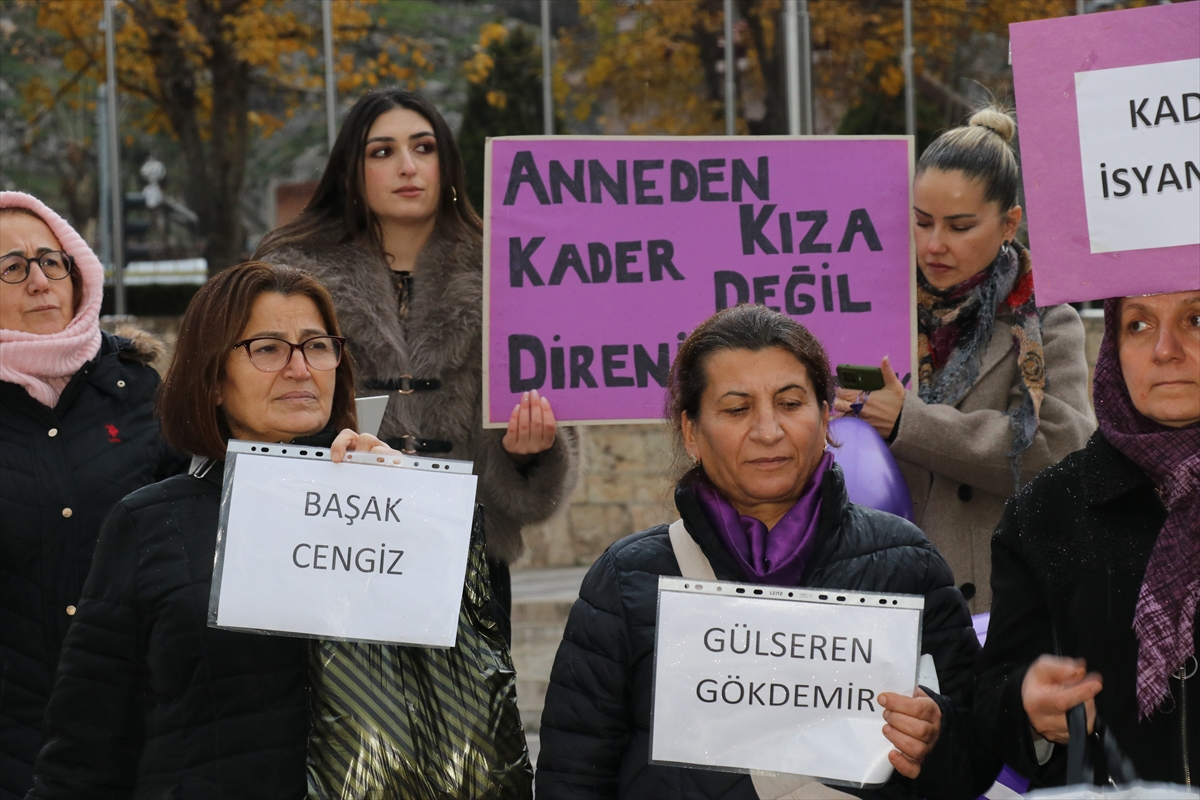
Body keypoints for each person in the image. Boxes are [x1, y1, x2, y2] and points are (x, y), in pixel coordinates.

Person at [537, 305, 999, 799]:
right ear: (691, 433)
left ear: (825, 417)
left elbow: (976, 760)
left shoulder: (907, 562)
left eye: (790, 402)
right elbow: (572, 776)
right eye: (737, 409)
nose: (767, 431)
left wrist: (936, 735)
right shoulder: (627, 580)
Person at [26, 262, 391, 796]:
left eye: (317, 346)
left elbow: (464, 679)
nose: (300, 368)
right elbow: (86, 745)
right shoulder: (149, 524)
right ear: (213, 378)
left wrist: (409, 510)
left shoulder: (393, 504)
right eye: (267, 348)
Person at [255, 87, 580, 623]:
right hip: (330, 548)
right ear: (351, 171)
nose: (408, 166)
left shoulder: (511, 273)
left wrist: (529, 455)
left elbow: (548, 450)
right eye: (382, 152)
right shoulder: (288, 276)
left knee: (469, 710)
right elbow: (258, 403)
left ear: (446, 163)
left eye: (423, 147)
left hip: (466, 556)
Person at [833, 106, 1095, 613]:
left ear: (1008, 223)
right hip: (881, 600)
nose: (934, 245)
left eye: (959, 226)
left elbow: (1061, 451)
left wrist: (910, 422)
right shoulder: (870, 310)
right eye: (922, 221)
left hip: (1000, 609)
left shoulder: (1046, 322)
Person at [0, 191, 184, 800]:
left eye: (53, 261)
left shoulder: (139, 390)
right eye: (11, 266)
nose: (40, 280)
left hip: (138, 730)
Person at [974, 289, 1199, 788]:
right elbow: (992, 703)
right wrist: (1029, 706)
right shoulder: (1047, 512)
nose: (1165, 349)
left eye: (1196, 318)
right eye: (1138, 325)